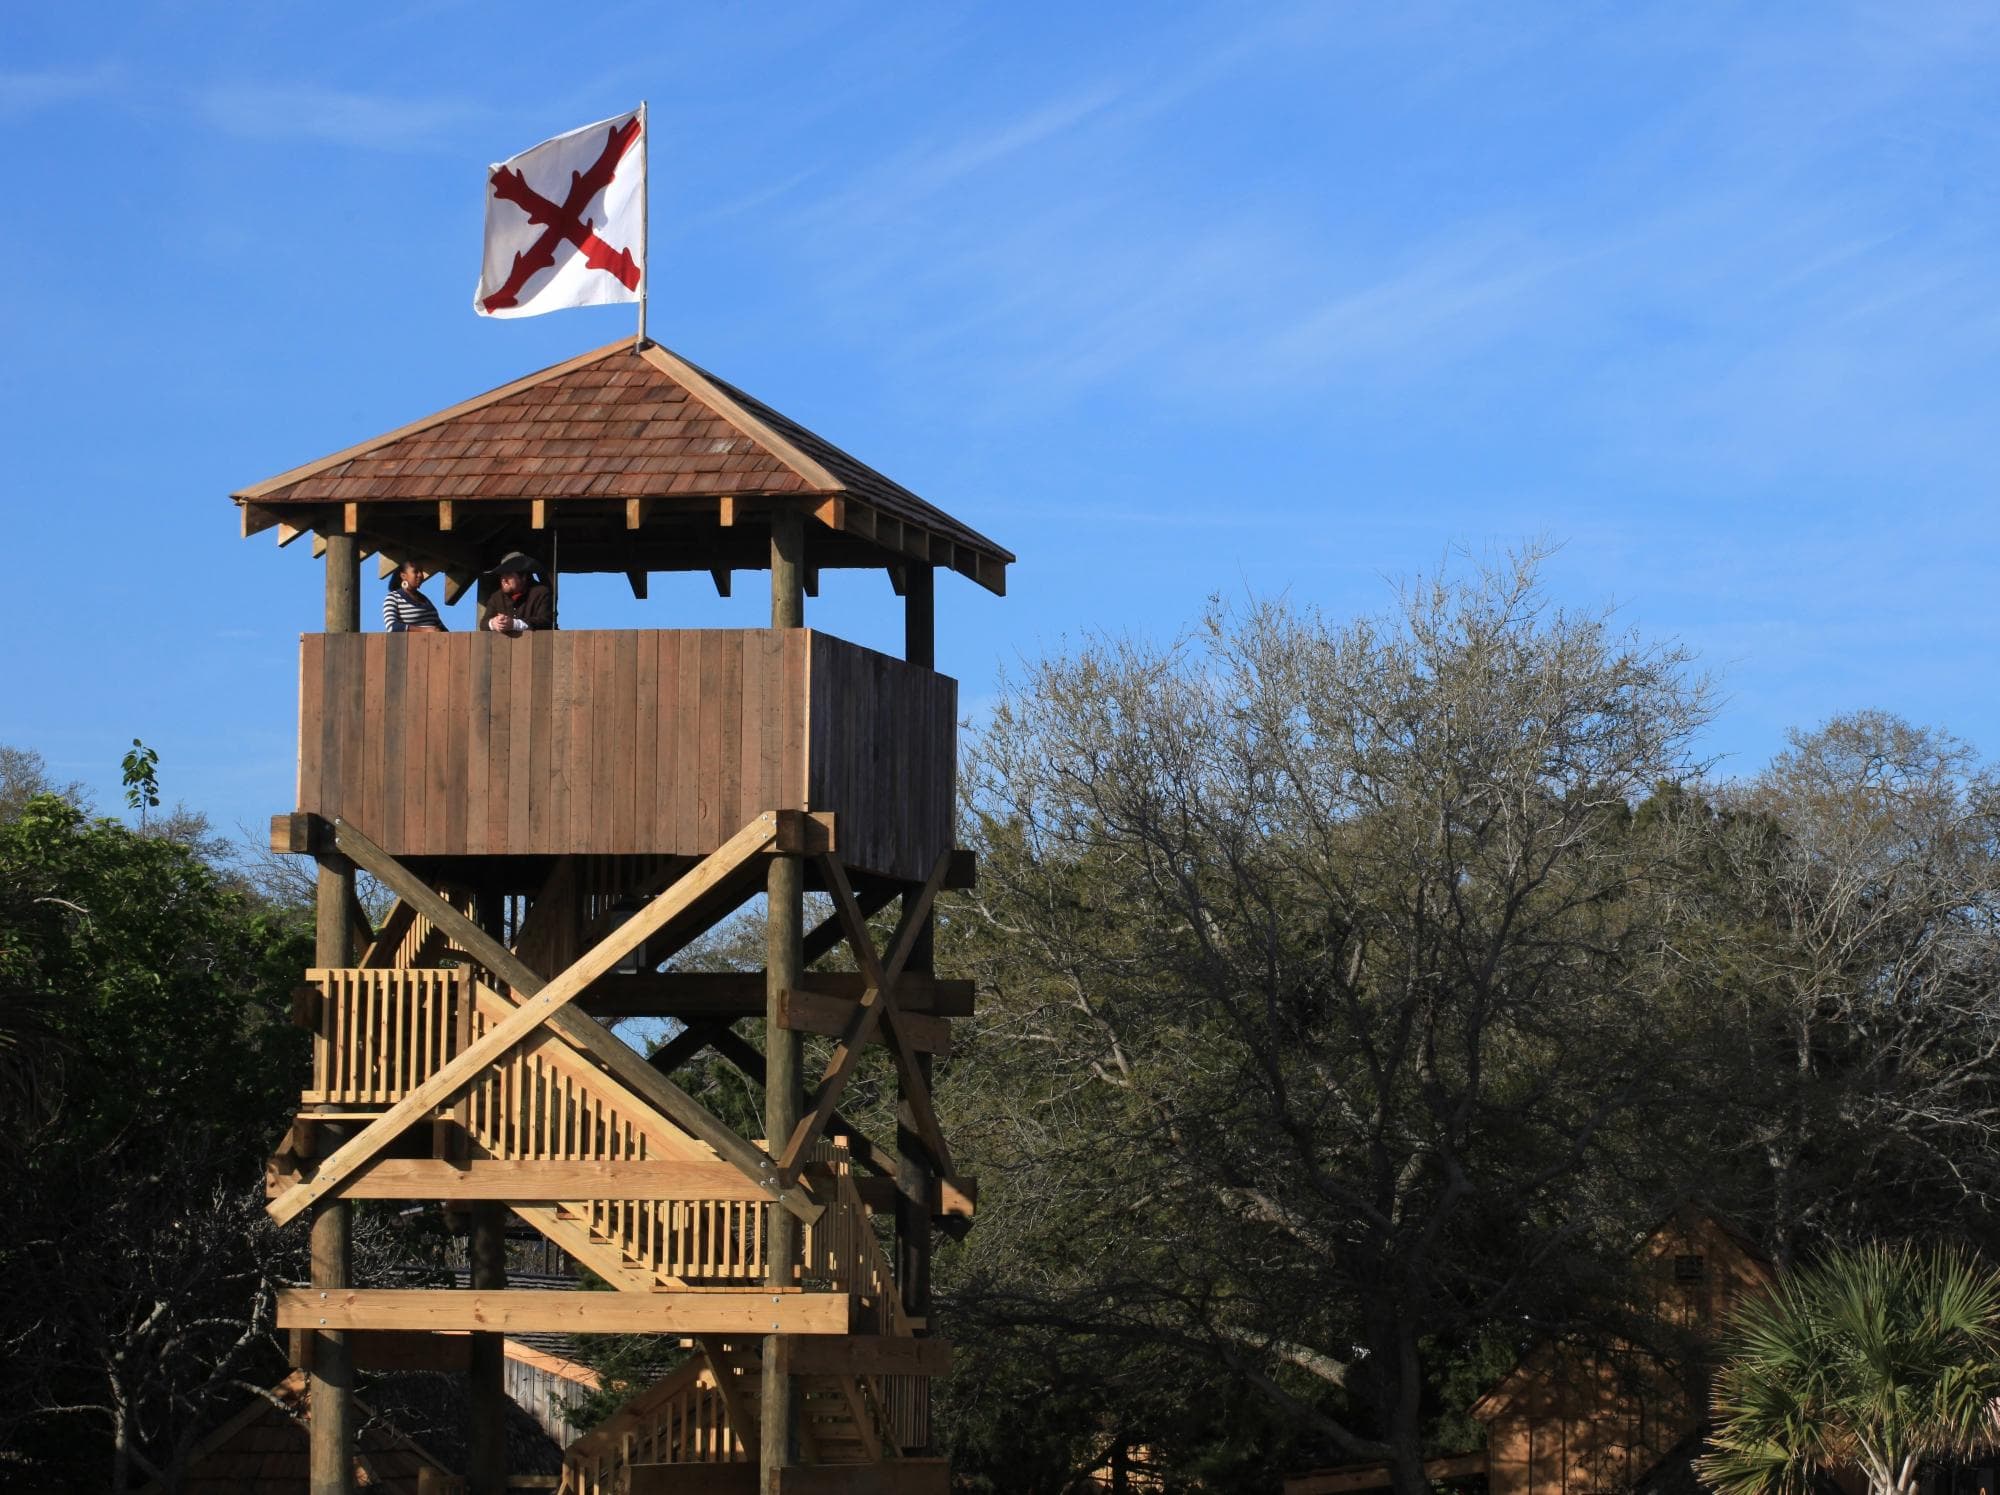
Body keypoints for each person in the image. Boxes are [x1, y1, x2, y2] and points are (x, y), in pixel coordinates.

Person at [484, 552, 556, 633]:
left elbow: (546, 621)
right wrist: (493, 623)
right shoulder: (496, 597)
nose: (503, 579)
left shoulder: (542, 592)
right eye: (502, 574)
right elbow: (484, 623)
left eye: (508, 574)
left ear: (523, 577)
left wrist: (514, 624)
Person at [383, 560, 447, 632]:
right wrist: (425, 630)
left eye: (421, 572)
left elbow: (441, 628)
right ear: (403, 576)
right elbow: (392, 627)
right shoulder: (393, 597)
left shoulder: (425, 600)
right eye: (415, 572)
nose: (420, 575)